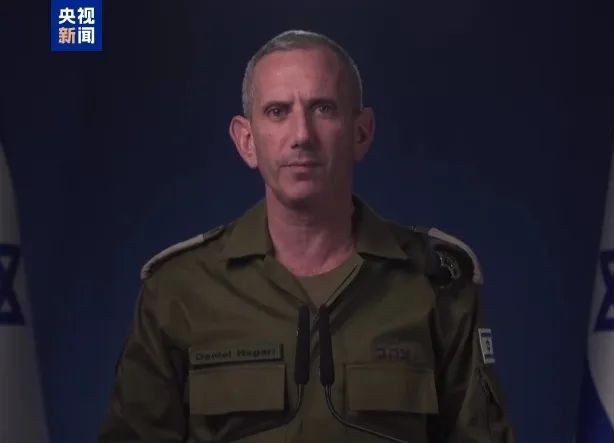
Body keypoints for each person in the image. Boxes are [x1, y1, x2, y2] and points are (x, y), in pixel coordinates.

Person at [98, 30, 515, 443]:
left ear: (361, 132)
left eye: (323, 108)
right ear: (247, 141)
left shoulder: (437, 282)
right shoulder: (179, 290)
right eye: (277, 112)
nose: (301, 135)